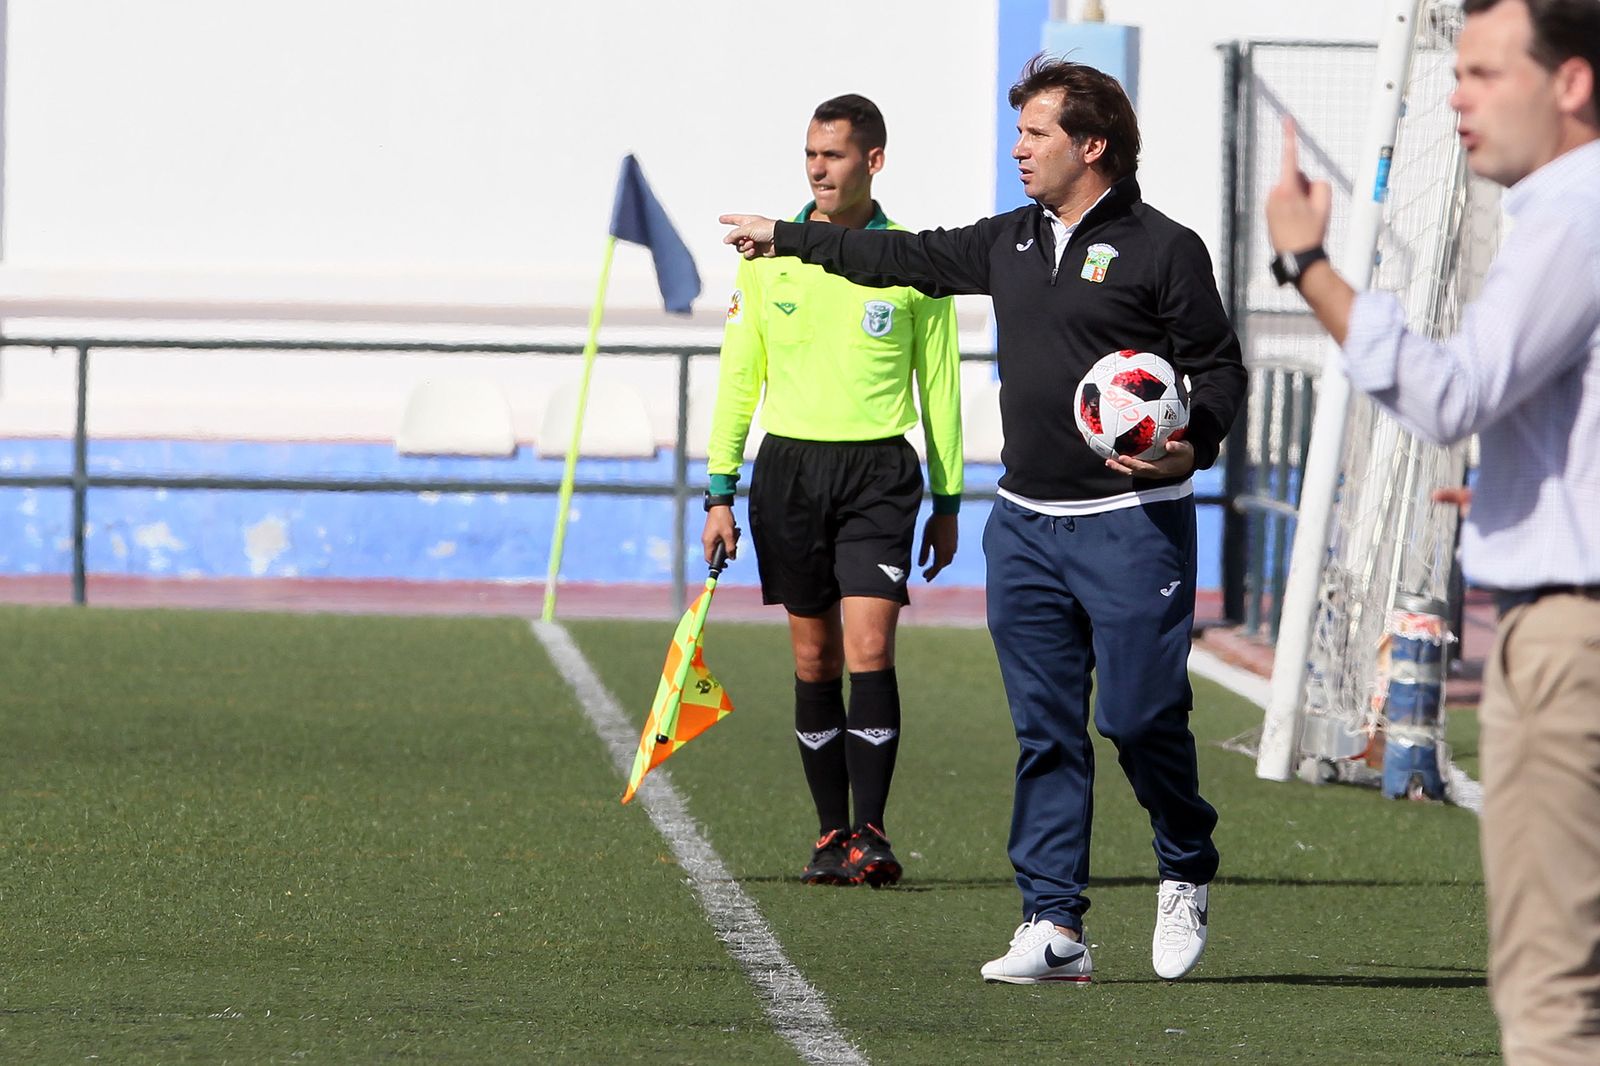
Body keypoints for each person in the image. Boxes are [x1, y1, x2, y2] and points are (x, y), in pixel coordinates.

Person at [722, 56, 1246, 982]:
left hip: (1133, 522)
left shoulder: (1167, 248)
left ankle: (1183, 863)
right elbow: (905, 253)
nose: (1018, 149)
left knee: (1135, 716)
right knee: (1045, 729)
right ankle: (1053, 922)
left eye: (1035, 133)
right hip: (1028, 528)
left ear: (1092, 146)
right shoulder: (1009, 240)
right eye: (1018, 133)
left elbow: (1218, 371)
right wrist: (788, 239)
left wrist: (1189, 442)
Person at [1266, 1, 1600, 1059]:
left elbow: (1453, 393)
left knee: (1550, 992)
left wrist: (1307, 265)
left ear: (1571, 83)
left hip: (1572, 644)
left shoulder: (1570, 212)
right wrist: (1526, 493)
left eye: (1485, 72)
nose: (1456, 94)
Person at [702, 93, 964, 889]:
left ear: (872, 161)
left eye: (835, 155)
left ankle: (874, 834)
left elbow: (942, 389)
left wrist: (950, 502)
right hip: (789, 475)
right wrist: (719, 490)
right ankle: (829, 835)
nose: (819, 169)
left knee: (871, 647)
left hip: (879, 474)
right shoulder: (767, 258)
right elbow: (739, 379)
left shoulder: (913, 264)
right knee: (814, 657)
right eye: (811, 155)